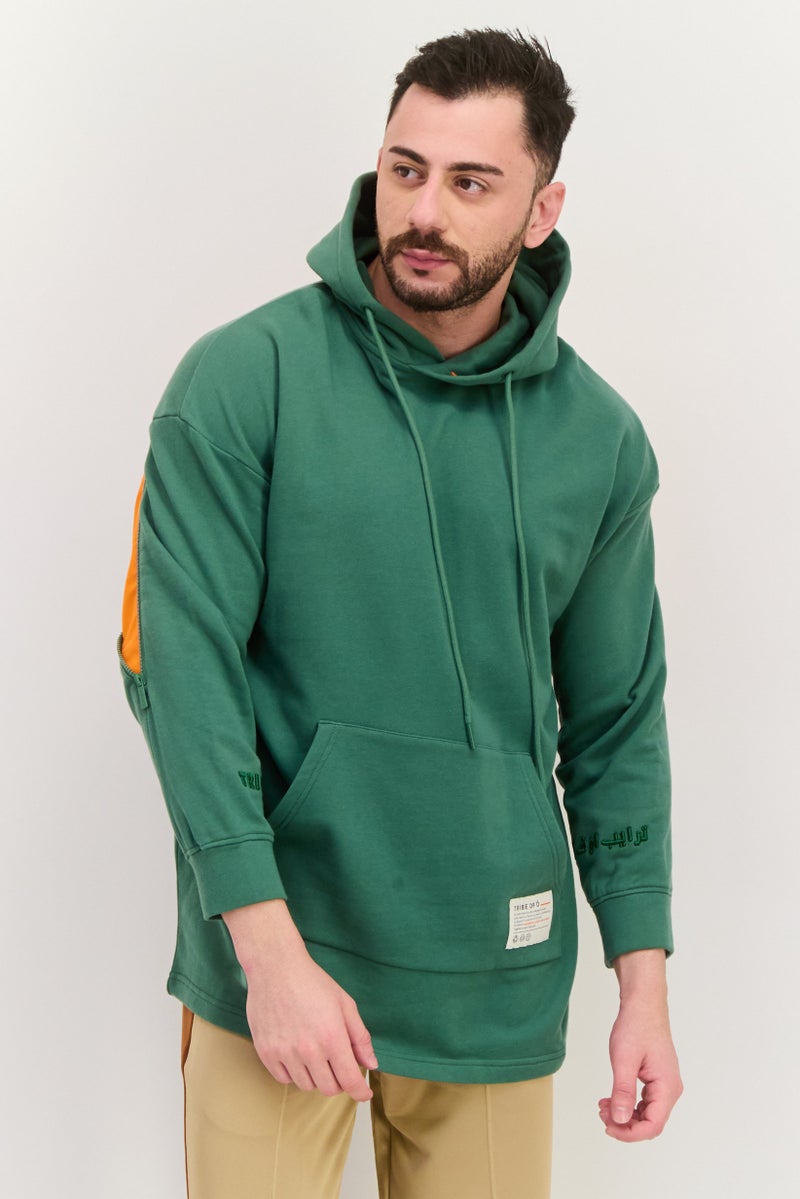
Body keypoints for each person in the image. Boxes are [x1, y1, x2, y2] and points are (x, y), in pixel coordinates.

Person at [118, 28, 682, 1199]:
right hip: (279, 971)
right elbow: (177, 671)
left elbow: (616, 720)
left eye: (470, 182)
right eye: (404, 168)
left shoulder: (597, 441)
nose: (421, 213)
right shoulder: (242, 381)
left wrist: (642, 982)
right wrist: (266, 952)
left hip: (494, 978)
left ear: (540, 209)